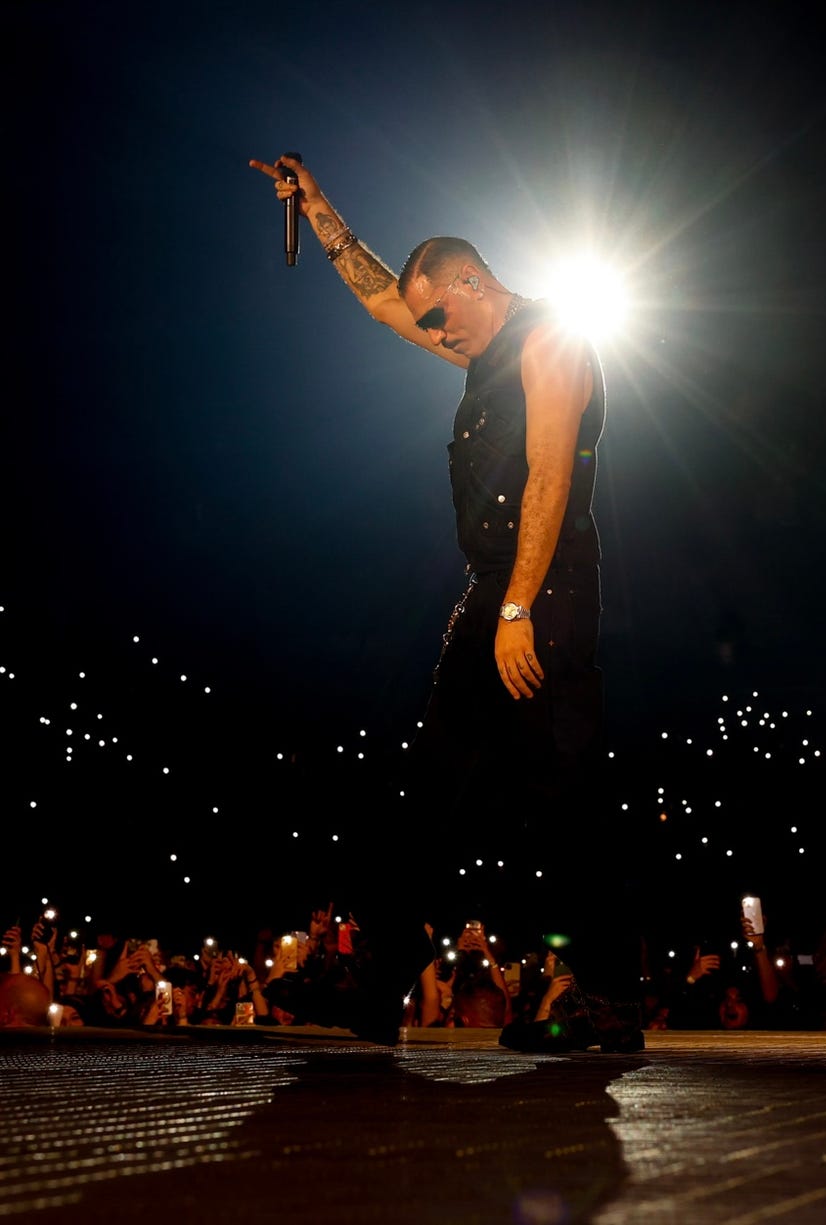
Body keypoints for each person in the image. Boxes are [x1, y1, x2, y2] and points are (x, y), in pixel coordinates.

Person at [249, 157, 623, 1019]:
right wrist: (319, 209)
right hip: (495, 590)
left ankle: (595, 990)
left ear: (471, 283)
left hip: (547, 590)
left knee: (557, 783)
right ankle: (384, 974)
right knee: (432, 783)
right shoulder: (476, 344)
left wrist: (518, 606)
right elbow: (385, 301)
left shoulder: (550, 339)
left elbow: (550, 476)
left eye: (439, 318)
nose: (435, 335)